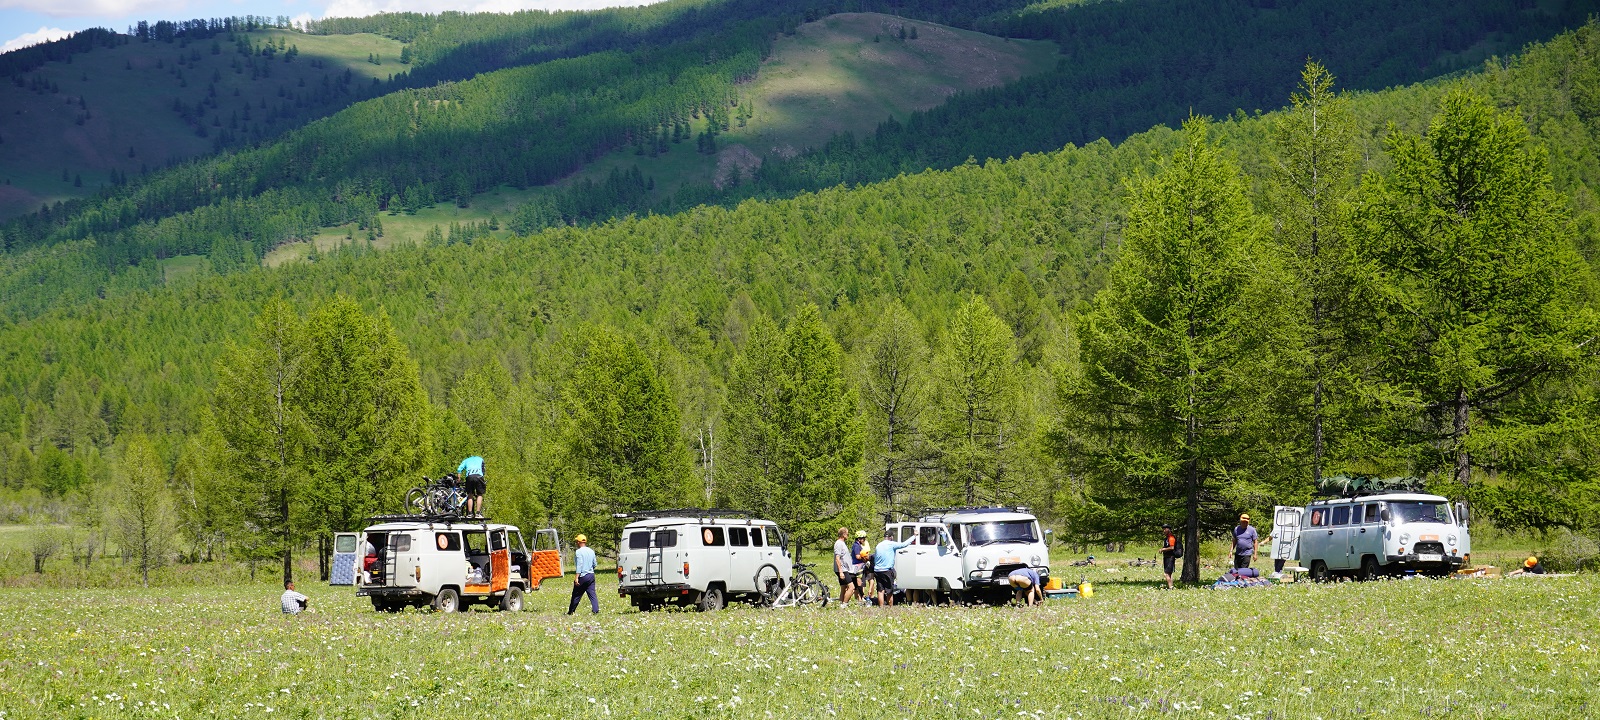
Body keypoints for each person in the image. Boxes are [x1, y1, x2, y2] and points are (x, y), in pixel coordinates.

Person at [871, 532, 912, 607]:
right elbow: (904, 544)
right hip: (887, 570)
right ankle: (890, 607)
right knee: (889, 591)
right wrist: (914, 536)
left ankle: (881, 607)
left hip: (877, 570)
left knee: (880, 590)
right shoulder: (891, 544)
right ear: (891, 537)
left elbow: (875, 558)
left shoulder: (879, 545)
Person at [568, 534, 598, 615]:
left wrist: (577, 577)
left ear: (578, 542)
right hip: (591, 575)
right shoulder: (591, 551)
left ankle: (571, 611)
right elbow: (595, 564)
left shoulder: (578, 552)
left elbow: (579, 565)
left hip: (583, 576)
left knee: (576, 594)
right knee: (592, 594)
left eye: (576, 541)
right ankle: (595, 610)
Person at [833, 527, 857, 604]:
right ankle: (844, 604)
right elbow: (837, 558)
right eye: (847, 534)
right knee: (852, 587)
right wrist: (841, 572)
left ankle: (841, 603)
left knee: (844, 588)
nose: (848, 535)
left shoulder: (842, 543)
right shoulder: (839, 544)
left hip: (845, 569)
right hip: (842, 570)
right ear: (843, 534)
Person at [851, 530, 871, 603]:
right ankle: (860, 598)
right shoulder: (856, 546)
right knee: (859, 583)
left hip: (859, 565)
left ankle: (860, 598)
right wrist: (864, 557)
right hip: (857, 566)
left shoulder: (858, 545)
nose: (864, 540)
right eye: (863, 538)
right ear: (859, 539)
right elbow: (857, 556)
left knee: (859, 582)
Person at [1159, 523, 1178, 590]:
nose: (1164, 531)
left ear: (1169, 529)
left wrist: (1163, 549)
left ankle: (1170, 587)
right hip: (1167, 557)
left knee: (1166, 573)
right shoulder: (1167, 538)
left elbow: (1172, 547)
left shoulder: (1171, 538)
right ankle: (1171, 586)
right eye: (1163, 529)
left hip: (1170, 557)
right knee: (1169, 573)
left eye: (1165, 529)